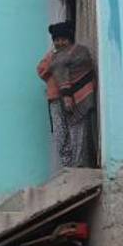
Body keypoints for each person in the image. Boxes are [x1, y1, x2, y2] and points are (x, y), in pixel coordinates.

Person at [38, 21, 96, 168]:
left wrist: (68, 92)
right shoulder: (51, 56)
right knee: (60, 134)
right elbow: (41, 70)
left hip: (76, 98)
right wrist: (54, 61)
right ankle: (67, 165)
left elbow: (84, 68)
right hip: (56, 100)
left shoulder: (79, 53)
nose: (60, 43)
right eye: (57, 40)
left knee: (77, 132)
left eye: (63, 39)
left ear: (70, 39)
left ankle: (78, 165)